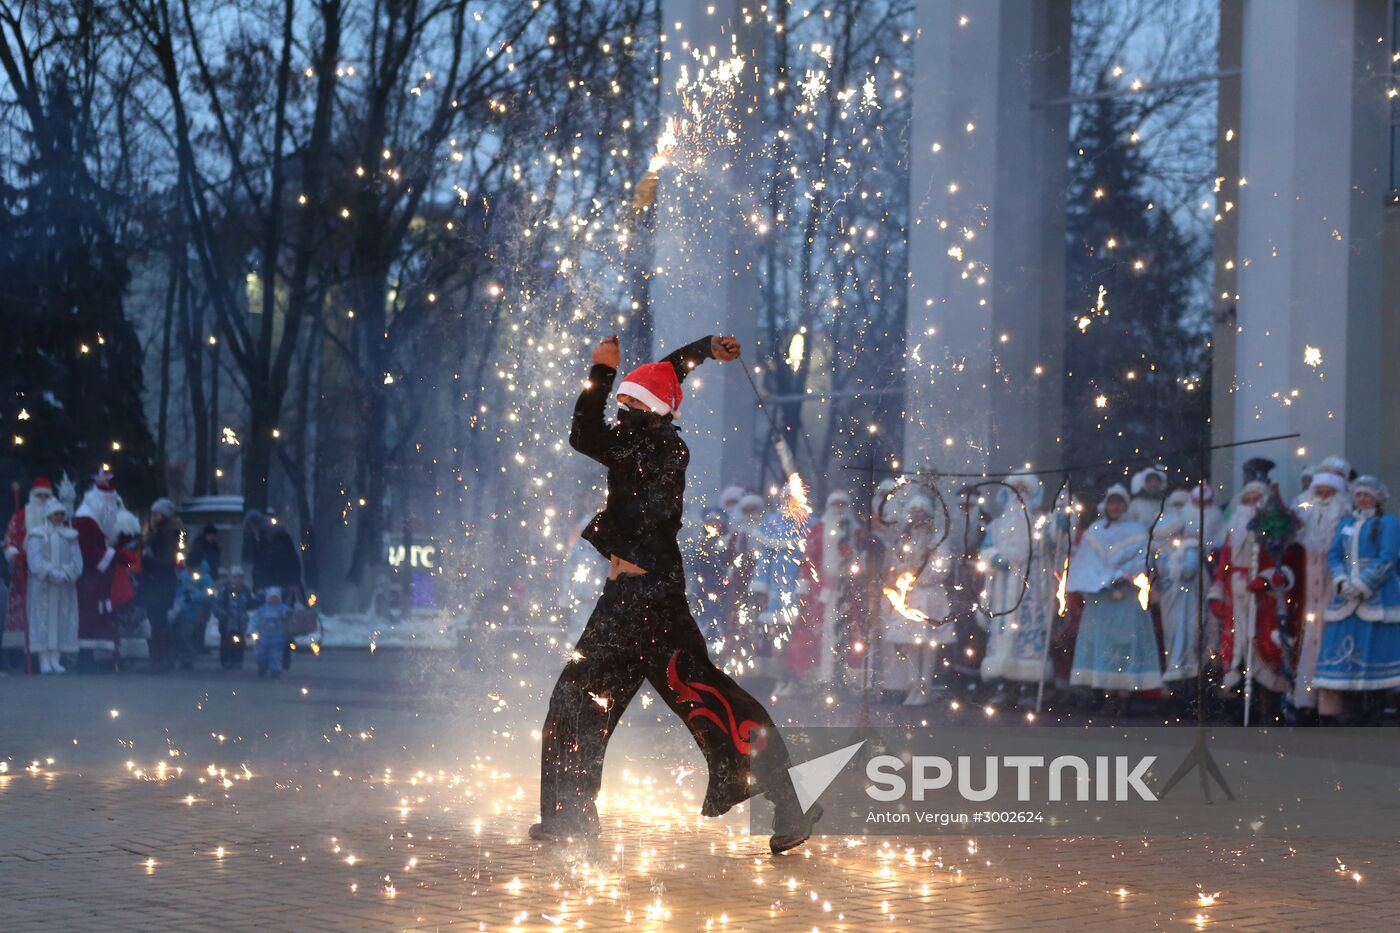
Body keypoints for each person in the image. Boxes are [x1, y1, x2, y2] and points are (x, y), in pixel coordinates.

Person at [534, 333, 815, 853]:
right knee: (579, 698)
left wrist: (600, 373)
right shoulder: (643, 431)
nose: (621, 406)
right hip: (625, 598)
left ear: (653, 411)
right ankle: (568, 814)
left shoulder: (660, 447)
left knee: (706, 697)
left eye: (629, 402)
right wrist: (704, 348)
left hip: (651, 597)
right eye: (620, 401)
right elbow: (660, 380)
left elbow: (587, 435)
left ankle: (792, 795)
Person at [1313, 476, 1400, 724]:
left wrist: (1363, 584)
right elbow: (1334, 555)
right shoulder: (1346, 523)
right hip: (1345, 599)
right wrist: (1341, 581)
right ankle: (1351, 711)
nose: (1361, 499)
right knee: (1346, 657)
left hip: (1377, 595)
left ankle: (1375, 712)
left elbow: (1388, 557)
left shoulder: (1388, 523)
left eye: (1366, 495)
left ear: (1377, 498)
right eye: (1358, 494)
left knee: (1375, 654)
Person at [1067, 485, 1162, 707]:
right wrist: (1101, 579)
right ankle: (1106, 692)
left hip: (1126, 596)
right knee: (1102, 643)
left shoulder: (1137, 530)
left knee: (1126, 643)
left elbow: (1144, 559)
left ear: (1125, 505)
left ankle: (1124, 696)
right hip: (1101, 599)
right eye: (1112, 502)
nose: (1115, 506)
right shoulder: (1095, 530)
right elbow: (1086, 562)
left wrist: (1123, 574)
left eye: (1119, 502)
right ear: (1106, 504)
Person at [1207, 481, 1292, 707]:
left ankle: (1267, 699)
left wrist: (1265, 579)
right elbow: (1225, 562)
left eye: (1257, 499)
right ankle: (1240, 701)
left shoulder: (1271, 532)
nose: (1251, 504)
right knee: (1235, 642)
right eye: (1247, 499)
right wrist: (1218, 592)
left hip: (1261, 596)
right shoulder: (1233, 531)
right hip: (1235, 592)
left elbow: (1279, 561)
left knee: (1263, 641)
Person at [979, 474, 1057, 706]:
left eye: (1024, 490)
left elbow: (1052, 544)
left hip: (1030, 586)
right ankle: (1006, 688)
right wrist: (994, 558)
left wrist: (1061, 524)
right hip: (1003, 587)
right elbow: (986, 548)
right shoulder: (997, 524)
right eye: (1016, 489)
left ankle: (1028, 690)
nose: (1019, 494)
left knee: (1028, 632)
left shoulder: (1039, 523)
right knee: (1003, 633)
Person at [788, 490, 863, 689]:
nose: (839, 510)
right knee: (823, 630)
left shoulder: (855, 532)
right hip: (823, 590)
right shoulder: (819, 530)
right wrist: (807, 582)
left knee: (849, 632)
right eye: (835, 505)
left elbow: (862, 556)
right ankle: (825, 675)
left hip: (849, 589)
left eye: (842, 505)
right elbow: (809, 558)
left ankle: (847, 676)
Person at [1291, 468, 1350, 719]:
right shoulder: (1300, 527)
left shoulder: (1346, 522)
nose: (1324, 497)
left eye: (1329, 492)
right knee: (1305, 646)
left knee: (1331, 647)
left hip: (1334, 595)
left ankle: (1329, 707)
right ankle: (1305, 702)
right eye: (1320, 492)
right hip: (1306, 597)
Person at [882, 494, 950, 707]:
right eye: (914, 512)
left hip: (929, 596)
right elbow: (897, 562)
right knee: (910, 644)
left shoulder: (936, 538)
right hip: (910, 596)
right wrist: (901, 571)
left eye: (921, 512)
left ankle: (925, 686)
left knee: (928, 645)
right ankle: (912, 685)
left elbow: (942, 567)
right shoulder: (905, 539)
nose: (917, 517)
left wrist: (921, 575)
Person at [72, 472, 127, 663]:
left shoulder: (96, 520)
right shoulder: (85, 520)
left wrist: (117, 547)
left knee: (100, 613)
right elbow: (89, 552)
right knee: (88, 614)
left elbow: (104, 543)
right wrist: (115, 555)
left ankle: (96, 656)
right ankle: (85, 658)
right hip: (88, 577)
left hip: (98, 579)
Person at [25, 498, 81, 674]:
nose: (59, 517)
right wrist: (49, 572)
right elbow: (34, 559)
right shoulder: (37, 535)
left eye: (61, 514)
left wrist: (67, 573)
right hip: (43, 586)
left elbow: (77, 559)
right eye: (56, 514)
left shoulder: (70, 535)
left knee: (61, 621)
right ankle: (44, 660)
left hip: (64, 587)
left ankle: (56, 659)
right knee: (41, 620)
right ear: (48, 514)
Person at [244, 510, 303, 669]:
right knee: (269, 622)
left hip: (280, 584)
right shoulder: (262, 539)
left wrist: (292, 582)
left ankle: (280, 659)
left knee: (282, 622)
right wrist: (257, 585)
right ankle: (271, 659)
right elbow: (259, 565)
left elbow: (290, 560)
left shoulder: (276, 537)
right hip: (269, 584)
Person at [4, 478, 54, 665]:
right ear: (33, 496)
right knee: (25, 612)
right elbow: (10, 539)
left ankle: (48, 654)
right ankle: (23, 656)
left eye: (45, 495)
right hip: (24, 573)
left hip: (48, 574)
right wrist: (15, 554)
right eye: (39, 495)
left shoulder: (55, 518)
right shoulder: (21, 516)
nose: (42, 499)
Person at [1153, 514, 1201, 690]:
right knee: (1172, 638)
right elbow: (1160, 575)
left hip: (1187, 601)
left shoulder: (1190, 550)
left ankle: (1186, 684)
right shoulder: (1163, 553)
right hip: (1169, 601)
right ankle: (1174, 684)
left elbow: (1189, 571)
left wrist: (1175, 563)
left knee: (1186, 637)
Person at [139, 499, 181, 672]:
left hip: (160, 583)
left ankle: (160, 659)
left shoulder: (169, 533)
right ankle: (158, 658)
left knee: (159, 621)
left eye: (157, 514)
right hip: (155, 582)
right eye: (153, 513)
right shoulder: (158, 532)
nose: (154, 517)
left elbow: (168, 560)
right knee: (156, 620)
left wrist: (148, 558)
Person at [172, 554, 214, 669]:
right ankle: (181, 656)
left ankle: (188, 658)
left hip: (196, 612)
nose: (190, 570)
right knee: (179, 634)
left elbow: (210, 594)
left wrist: (193, 597)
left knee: (188, 633)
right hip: (181, 610)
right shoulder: (183, 576)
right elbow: (178, 590)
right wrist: (180, 600)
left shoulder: (206, 578)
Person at [213, 566, 256, 670]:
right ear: (230, 578)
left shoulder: (245, 590)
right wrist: (221, 614)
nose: (237, 580)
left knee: (239, 641)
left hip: (240, 621)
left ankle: (237, 660)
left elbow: (250, 603)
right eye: (234, 577)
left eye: (239, 577)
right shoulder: (224, 590)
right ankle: (226, 660)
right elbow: (217, 603)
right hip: (226, 621)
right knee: (225, 641)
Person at [251, 586, 291, 678]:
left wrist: (288, 613)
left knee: (276, 655)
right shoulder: (262, 610)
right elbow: (254, 620)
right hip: (262, 638)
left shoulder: (282, 608)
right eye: (271, 597)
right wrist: (251, 630)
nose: (273, 600)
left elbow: (288, 616)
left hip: (277, 638)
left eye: (275, 598)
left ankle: (275, 669)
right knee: (261, 654)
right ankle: (262, 667)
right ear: (268, 598)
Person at [1127, 466, 1169, 530]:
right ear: (1145, 483)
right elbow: (1129, 524)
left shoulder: (1167, 503)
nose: (1153, 484)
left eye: (1156, 481)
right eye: (1150, 481)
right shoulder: (1136, 504)